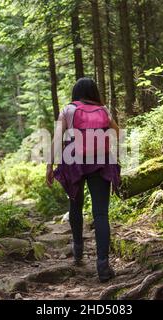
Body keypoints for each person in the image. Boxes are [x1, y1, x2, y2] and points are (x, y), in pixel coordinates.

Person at [46, 78, 121, 283]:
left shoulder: (68, 110)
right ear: (94, 92)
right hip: (101, 162)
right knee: (100, 213)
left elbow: (56, 138)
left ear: (76, 92)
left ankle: (78, 251)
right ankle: (103, 265)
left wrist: (49, 165)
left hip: (74, 162)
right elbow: (116, 132)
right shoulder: (103, 110)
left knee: (75, 206)